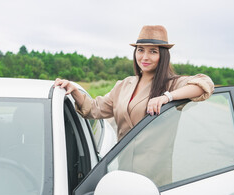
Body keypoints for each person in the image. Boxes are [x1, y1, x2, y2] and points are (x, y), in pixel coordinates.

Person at [55, 25, 214, 141]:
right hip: (123, 165)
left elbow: (204, 83)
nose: (144, 57)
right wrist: (74, 89)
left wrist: (167, 97)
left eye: (153, 51)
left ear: (163, 56)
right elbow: (94, 109)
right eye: (140, 49)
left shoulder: (171, 84)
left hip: (155, 172)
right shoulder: (124, 85)